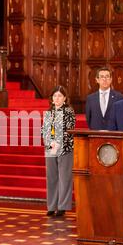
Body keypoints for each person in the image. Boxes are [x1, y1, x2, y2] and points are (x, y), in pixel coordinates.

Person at [41, 86, 76, 217]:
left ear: (65, 98)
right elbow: (43, 130)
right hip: (51, 148)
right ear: (51, 98)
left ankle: (62, 206)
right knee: (52, 177)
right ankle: (51, 206)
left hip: (65, 147)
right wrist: (49, 142)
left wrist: (58, 142)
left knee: (64, 177)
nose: (57, 98)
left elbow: (69, 129)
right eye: (55, 96)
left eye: (60, 96)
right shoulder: (48, 112)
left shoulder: (69, 111)